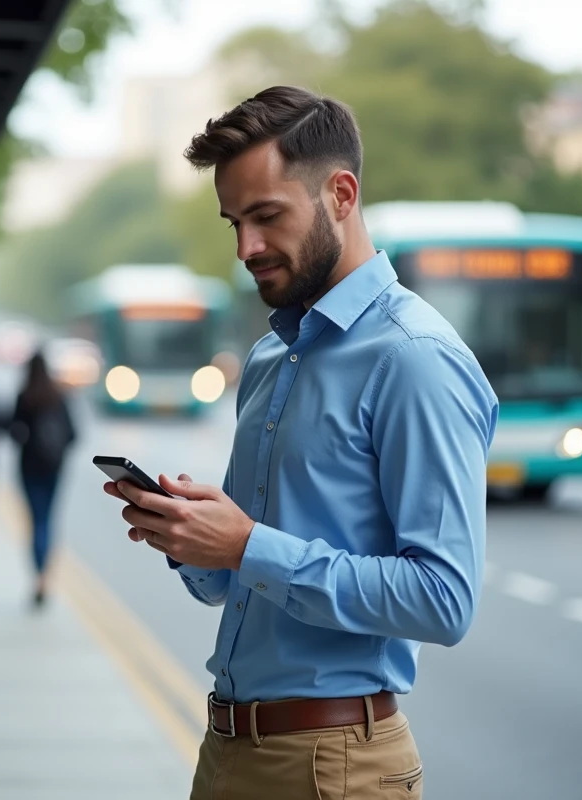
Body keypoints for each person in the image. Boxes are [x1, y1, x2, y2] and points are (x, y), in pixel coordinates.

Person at [103, 86, 498, 799]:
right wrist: (193, 537)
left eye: (266, 217)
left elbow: (444, 600)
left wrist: (246, 544)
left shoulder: (414, 358)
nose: (246, 248)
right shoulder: (268, 356)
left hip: (333, 767)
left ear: (341, 194)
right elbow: (237, 576)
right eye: (234, 223)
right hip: (228, 751)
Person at [9, 352, 77, 608]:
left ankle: (38, 577)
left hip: (29, 467)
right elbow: (72, 434)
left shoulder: (24, 396)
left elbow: (13, 431)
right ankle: (46, 577)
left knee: (35, 520)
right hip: (54, 467)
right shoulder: (58, 396)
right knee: (48, 520)